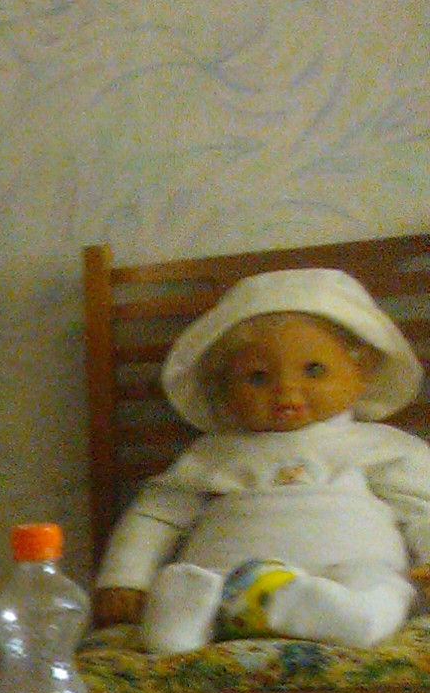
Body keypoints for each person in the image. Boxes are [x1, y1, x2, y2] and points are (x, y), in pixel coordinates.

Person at [93, 265, 430, 655]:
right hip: (229, 580)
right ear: (223, 388)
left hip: (346, 576)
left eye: (314, 370)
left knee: (382, 588)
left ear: (362, 371)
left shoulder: (382, 447)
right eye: (257, 377)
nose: (286, 390)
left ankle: (333, 612)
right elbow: (155, 516)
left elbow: (423, 509)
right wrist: (125, 578)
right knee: (175, 619)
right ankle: (184, 611)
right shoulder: (212, 453)